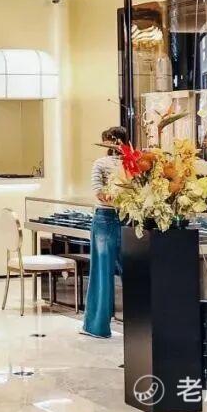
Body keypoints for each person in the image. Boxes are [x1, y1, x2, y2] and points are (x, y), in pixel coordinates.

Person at [82, 126, 127, 338]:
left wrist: (112, 198)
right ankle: (139, 325)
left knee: (102, 272)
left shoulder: (100, 163)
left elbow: (98, 192)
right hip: (129, 218)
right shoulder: (133, 164)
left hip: (104, 218)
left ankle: (98, 326)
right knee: (133, 271)